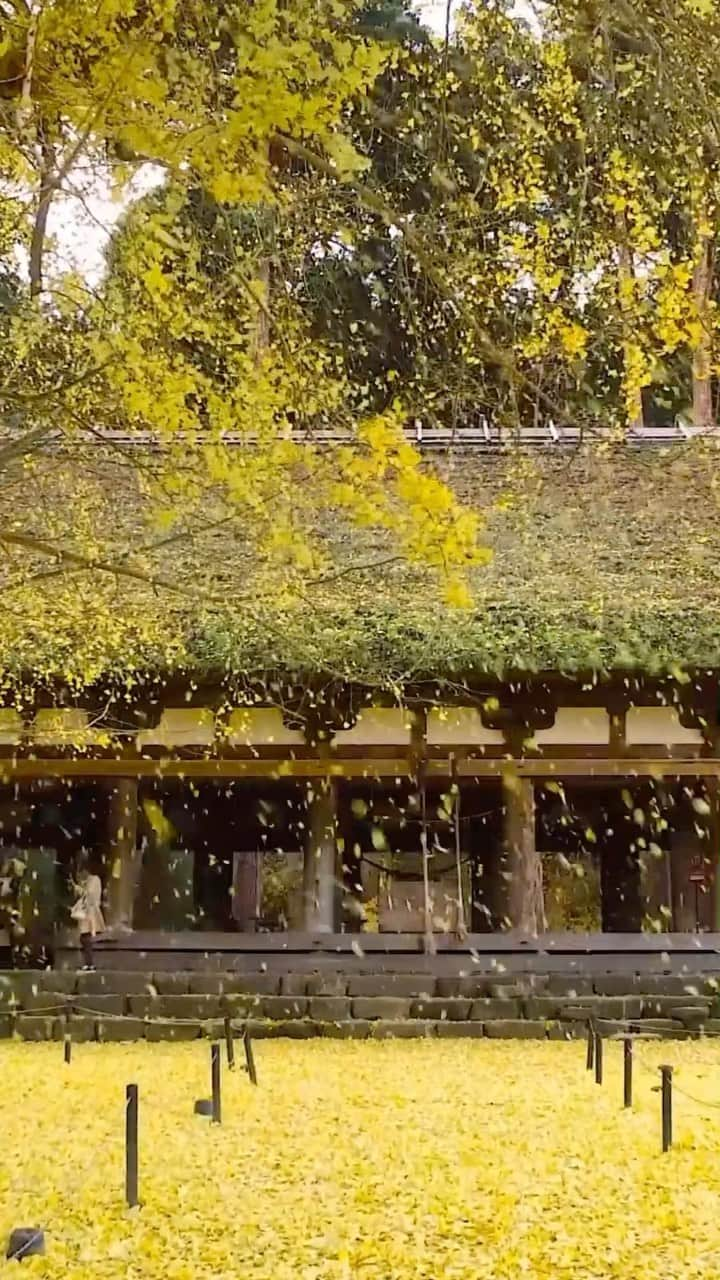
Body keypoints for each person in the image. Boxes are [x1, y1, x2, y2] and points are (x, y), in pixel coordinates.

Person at [71, 859, 105, 971]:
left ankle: (90, 962)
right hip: (86, 912)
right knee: (84, 938)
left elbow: (89, 895)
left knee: (87, 938)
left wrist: (79, 888)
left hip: (90, 912)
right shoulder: (86, 881)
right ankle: (88, 962)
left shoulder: (94, 880)